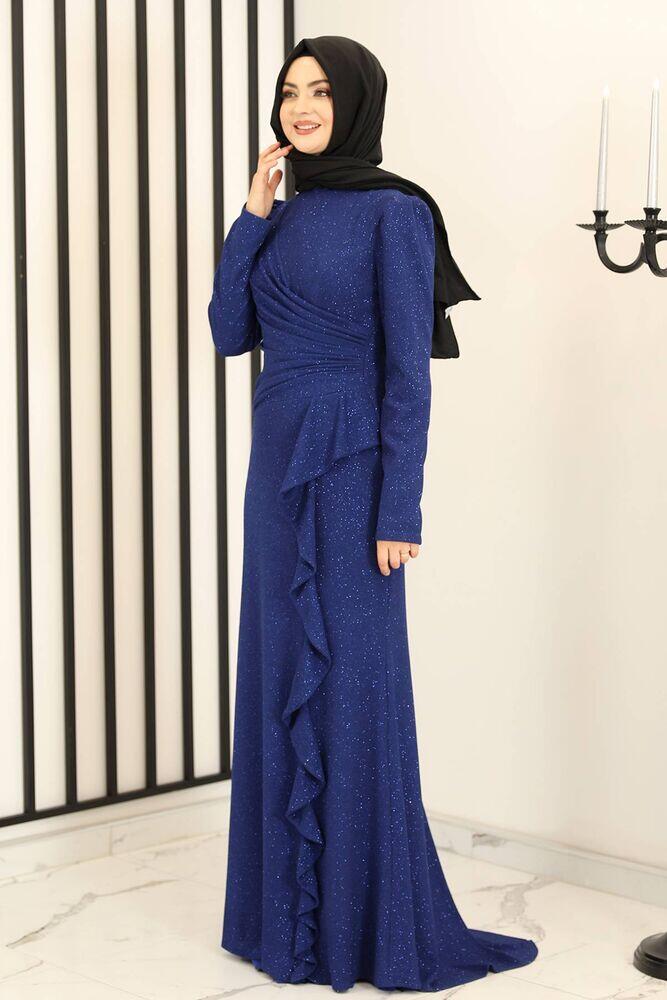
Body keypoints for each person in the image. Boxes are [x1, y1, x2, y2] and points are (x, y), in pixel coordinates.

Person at [208, 34, 539, 993]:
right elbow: (230, 330)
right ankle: (284, 925)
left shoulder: (397, 212)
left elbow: (408, 377)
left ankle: (366, 927)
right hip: (276, 471)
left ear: (355, 102)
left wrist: (401, 508)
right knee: (278, 672)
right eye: (288, 93)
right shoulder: (278, 215)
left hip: (354, 473)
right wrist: (251, 213)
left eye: (319, 91)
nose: (300, 108)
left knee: (353, 684)